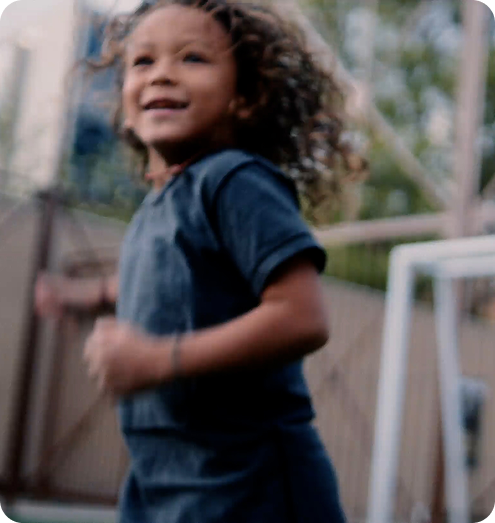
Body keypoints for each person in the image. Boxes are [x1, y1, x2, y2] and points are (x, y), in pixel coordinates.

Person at [36, 1, 364, 521]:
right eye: (143, 62)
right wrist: (87, 295)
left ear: (246, 98)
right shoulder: (160, 205)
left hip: (255, 492)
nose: (162, 73)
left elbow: (302, 317)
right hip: (163, 486)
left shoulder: (234, 181)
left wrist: (157, 360)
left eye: (192, 58)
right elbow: (171, 281)